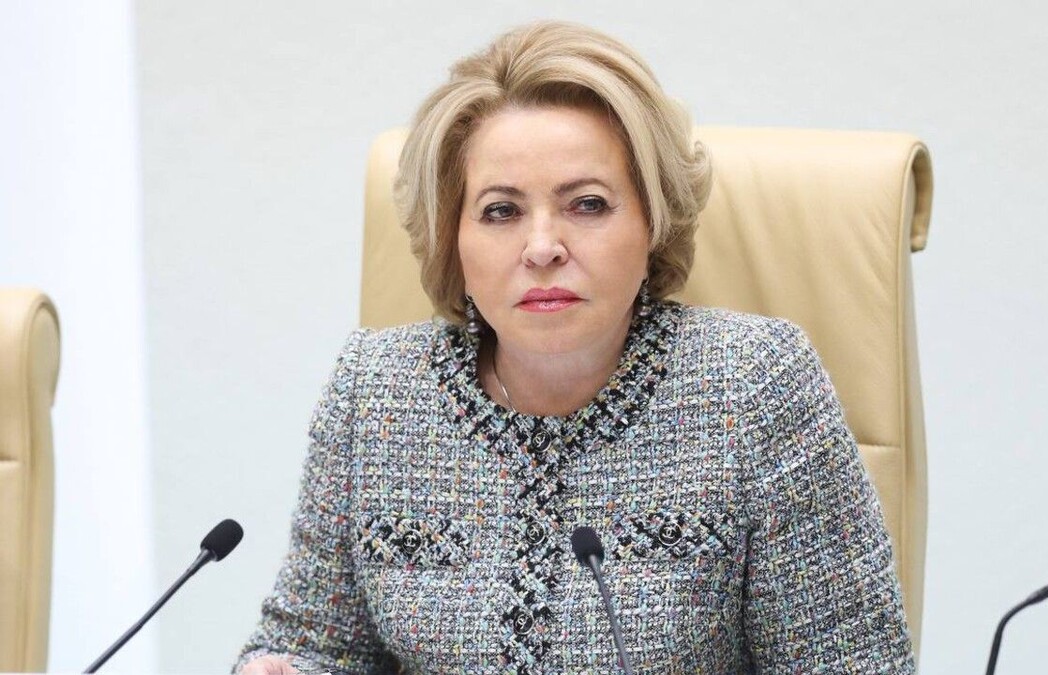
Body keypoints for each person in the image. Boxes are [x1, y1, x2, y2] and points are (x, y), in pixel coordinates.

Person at [236, 20, 914, 674]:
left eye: (587, 204)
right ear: (453, 242)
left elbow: (852, 662)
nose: (542, 247)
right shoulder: (375, 391)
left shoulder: (754, 384)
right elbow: (314, 644)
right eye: (501, 210)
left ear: (652, 221)